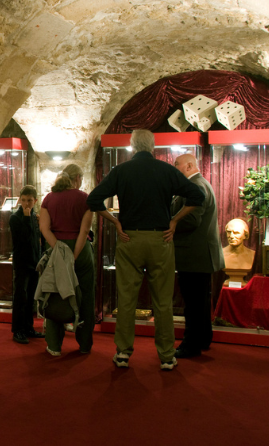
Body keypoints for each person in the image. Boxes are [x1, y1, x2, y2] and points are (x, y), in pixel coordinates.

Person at [86, 130, 205, 371]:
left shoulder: (121, 170)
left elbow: (94, 200)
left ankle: (123, 352)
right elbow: (197, 196)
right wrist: (174, 221)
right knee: (162, 301)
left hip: (129, 238)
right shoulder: (166, 170)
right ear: (153, 147)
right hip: (160, 238)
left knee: (127, 299)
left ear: (132, 146)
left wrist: (116, 222)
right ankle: (167, 355)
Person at [171, 154, 225, 359]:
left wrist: (169, 224)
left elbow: (191, 220)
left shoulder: (196, 187)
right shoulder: (200, 184)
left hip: (194, 255)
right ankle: (202, 338)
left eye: (176, 165)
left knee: (193, 303)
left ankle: (191, 345)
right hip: (198, 255)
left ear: (189, 166)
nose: (174, 169)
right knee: (200, 301)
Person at [39, 164, 95, 354]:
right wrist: (74, 255)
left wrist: (59, 251)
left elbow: (44, 228)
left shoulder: (49, 198)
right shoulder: (84, 199)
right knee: (86, 296)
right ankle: (85, 344)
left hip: (57, 250)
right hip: (81, 251)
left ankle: (54, 345)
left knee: (55, 294)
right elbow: (84, 230)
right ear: (78, 178)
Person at [9, 185, 45, 344]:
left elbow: (37, 240)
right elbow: (22, 239)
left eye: (29, 201)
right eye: (23, 200)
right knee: (20, 297)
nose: (26, 204)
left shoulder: (34, 216)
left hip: (34, 262)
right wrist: (25, 217)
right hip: (22, 262)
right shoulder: (15, 218)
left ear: (35, 200)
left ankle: (29, 328)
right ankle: (18, 330)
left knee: (31, 297)